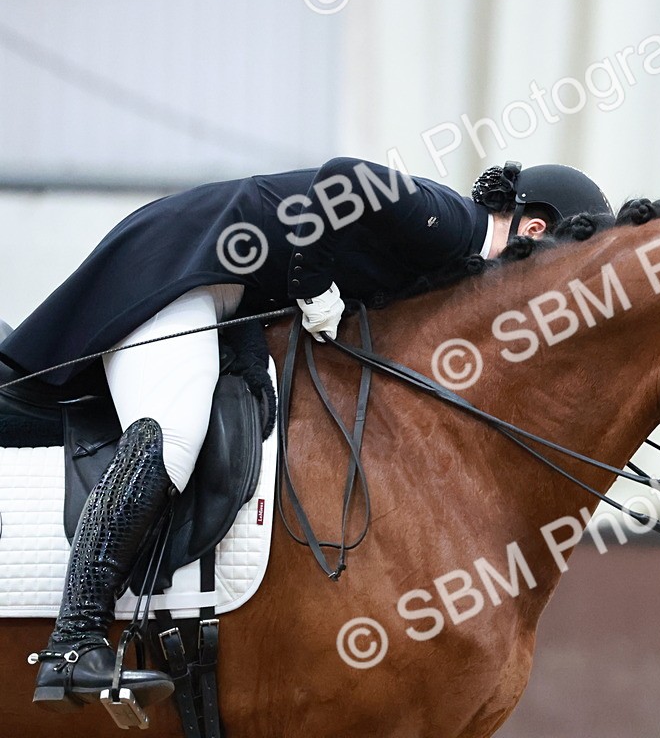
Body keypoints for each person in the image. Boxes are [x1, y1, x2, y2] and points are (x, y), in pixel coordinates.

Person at [0, 157, 609, 711]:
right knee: (174, 435)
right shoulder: (450, 223)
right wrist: (314, 286)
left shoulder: (451, 262)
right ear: (533, 230)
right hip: (182, 265)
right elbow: (343, 181)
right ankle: (74, 641)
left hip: (232, 290)